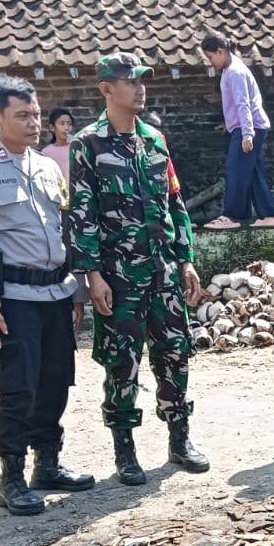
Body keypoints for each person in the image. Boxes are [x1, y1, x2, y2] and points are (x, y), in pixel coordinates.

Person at [0, 75, 95, 516]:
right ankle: (10, 478)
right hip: (13, 297)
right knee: (18, 388)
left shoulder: (47, 166)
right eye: (23, 115)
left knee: (56, 381)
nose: (35, 123)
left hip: (56, 292)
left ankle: (46, 464)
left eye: (36, 114)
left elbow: (63, 230)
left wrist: (78, 290)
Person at [70, 51, 209, 479]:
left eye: (142, 80)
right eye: (131, 82)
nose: (140, 87)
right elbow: (82, 215)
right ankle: (124, 448)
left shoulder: (154, 140)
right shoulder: (86, 145)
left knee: (175, 352)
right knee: (121, 361)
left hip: (163, 271)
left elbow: (174, 203)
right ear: (107, 90)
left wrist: (185, 259)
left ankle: (179, 437)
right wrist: (92, 276)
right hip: (118, 277)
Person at [200, 33, 274, 231]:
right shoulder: (232, 69)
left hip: (249, 127)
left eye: (211, 57)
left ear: (220, 51)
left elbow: (243, 104)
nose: (211, 62)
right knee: (251, 172)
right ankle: (270, 215)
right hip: (249, 126)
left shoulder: (235, 72)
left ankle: (232, 215)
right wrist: (229, 125)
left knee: (235, 170)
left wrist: (247, 134)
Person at [41, 108, 75, 184]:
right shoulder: (46, 152)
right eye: (62, 124)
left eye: (69, 124)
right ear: (52, 127)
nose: (66, 128)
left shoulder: (76, 147)